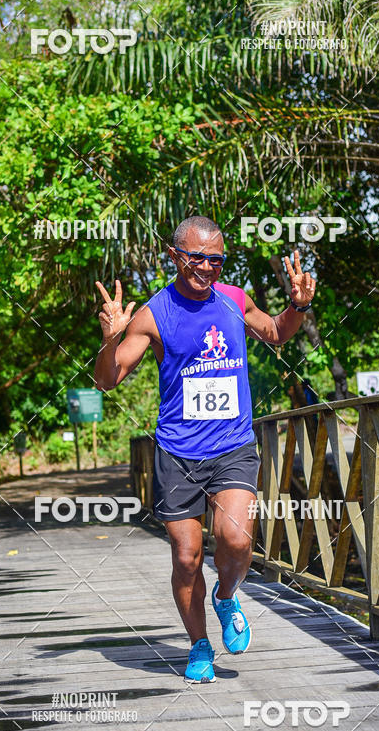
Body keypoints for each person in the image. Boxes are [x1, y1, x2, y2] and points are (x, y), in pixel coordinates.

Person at [94, 216, 316, 683]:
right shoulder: (153, 315)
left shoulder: (234, 299)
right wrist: (110, 340)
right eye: (197, 258)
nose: (207, 268)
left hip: (233, 445)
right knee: (186, 556)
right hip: (178, 452)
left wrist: (297, 307)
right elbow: (109, 379)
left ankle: (226, 596)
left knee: (236, 539)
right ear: (175, 256)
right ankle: (198, 646)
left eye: (216, 260)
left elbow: (275, 332)